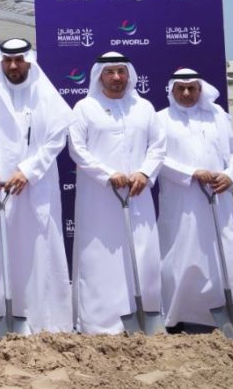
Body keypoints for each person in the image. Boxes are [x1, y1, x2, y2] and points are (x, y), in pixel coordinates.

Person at [0, 38, 74, 333]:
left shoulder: (44, 94)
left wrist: (27, 171)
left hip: (37, 186)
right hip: (0, 189)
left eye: (19, 60)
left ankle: (45, 318)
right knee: (1, 248)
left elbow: (57, 138)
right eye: (8, 61)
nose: (13, 66)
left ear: (29, 62)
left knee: (40, 247)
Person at [69, 52, 166, 334]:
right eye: (110, 72)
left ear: (129, 74)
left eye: (121, 71)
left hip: (137, 194)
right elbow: (77, 149)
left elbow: (158, 146)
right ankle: (100, 323)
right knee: (100, 257)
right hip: (98, 199)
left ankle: (144, 314)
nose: (116, 77)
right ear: (99, 76)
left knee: (142, 252)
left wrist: (144, 173)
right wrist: (107, 174)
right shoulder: (85, 108)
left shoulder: (144, 108)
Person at [158, 68, 233, 331]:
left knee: (223, 253)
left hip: (219, 198)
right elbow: (157, 159)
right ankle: (177, 315)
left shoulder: (218, 116)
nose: (187, 93)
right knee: (182, 255)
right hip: (182, 199)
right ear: (172, 91)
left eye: (192, 88)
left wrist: (230, 176)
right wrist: (191, 173)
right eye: (181, 88)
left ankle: (228, 310)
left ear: (201, 89)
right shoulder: (161, 119)